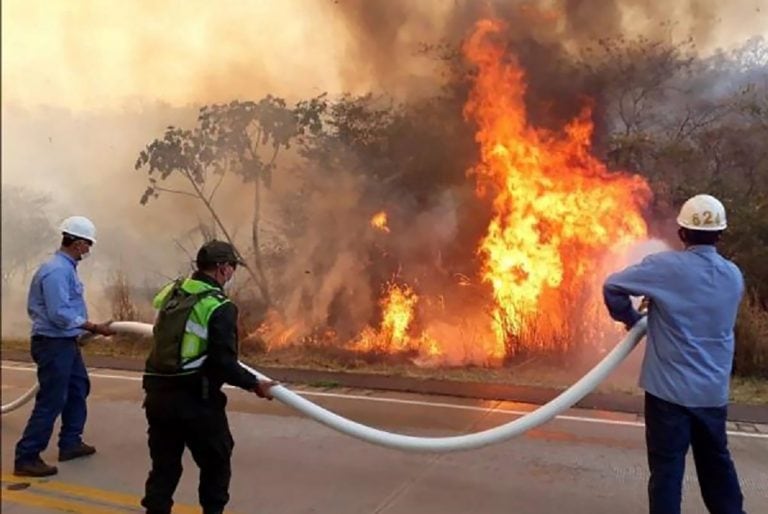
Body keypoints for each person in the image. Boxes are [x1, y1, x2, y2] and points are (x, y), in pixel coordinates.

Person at [603, 194, 746, 514]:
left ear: (682, 233)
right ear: (720, 234)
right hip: (711, 395)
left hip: (668, 395)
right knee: (717, 469)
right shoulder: (734, 276)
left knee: (667, 473)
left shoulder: (663, 268)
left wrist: (631, 319)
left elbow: (612, 287)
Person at [141, 239, 276, 514]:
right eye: (232, 268)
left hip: (157, 397)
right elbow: (224, 363)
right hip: (195, 402)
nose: (232, 274)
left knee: (164, 466)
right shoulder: (219, 306)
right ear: (223, 268)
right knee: (216, 462)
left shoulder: (173, 291)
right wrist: (255, 385)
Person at [14, 216, 116, 477]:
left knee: (78, 388)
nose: (89, 250)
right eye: (88, 245)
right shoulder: (57, 270)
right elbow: (59, 313)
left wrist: (81, 331)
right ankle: (26, 457)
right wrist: (93, 327)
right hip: (52, 344)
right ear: (79, 243)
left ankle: (70, 442)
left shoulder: (66, 268)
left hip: (65, 343)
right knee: (51, 400)